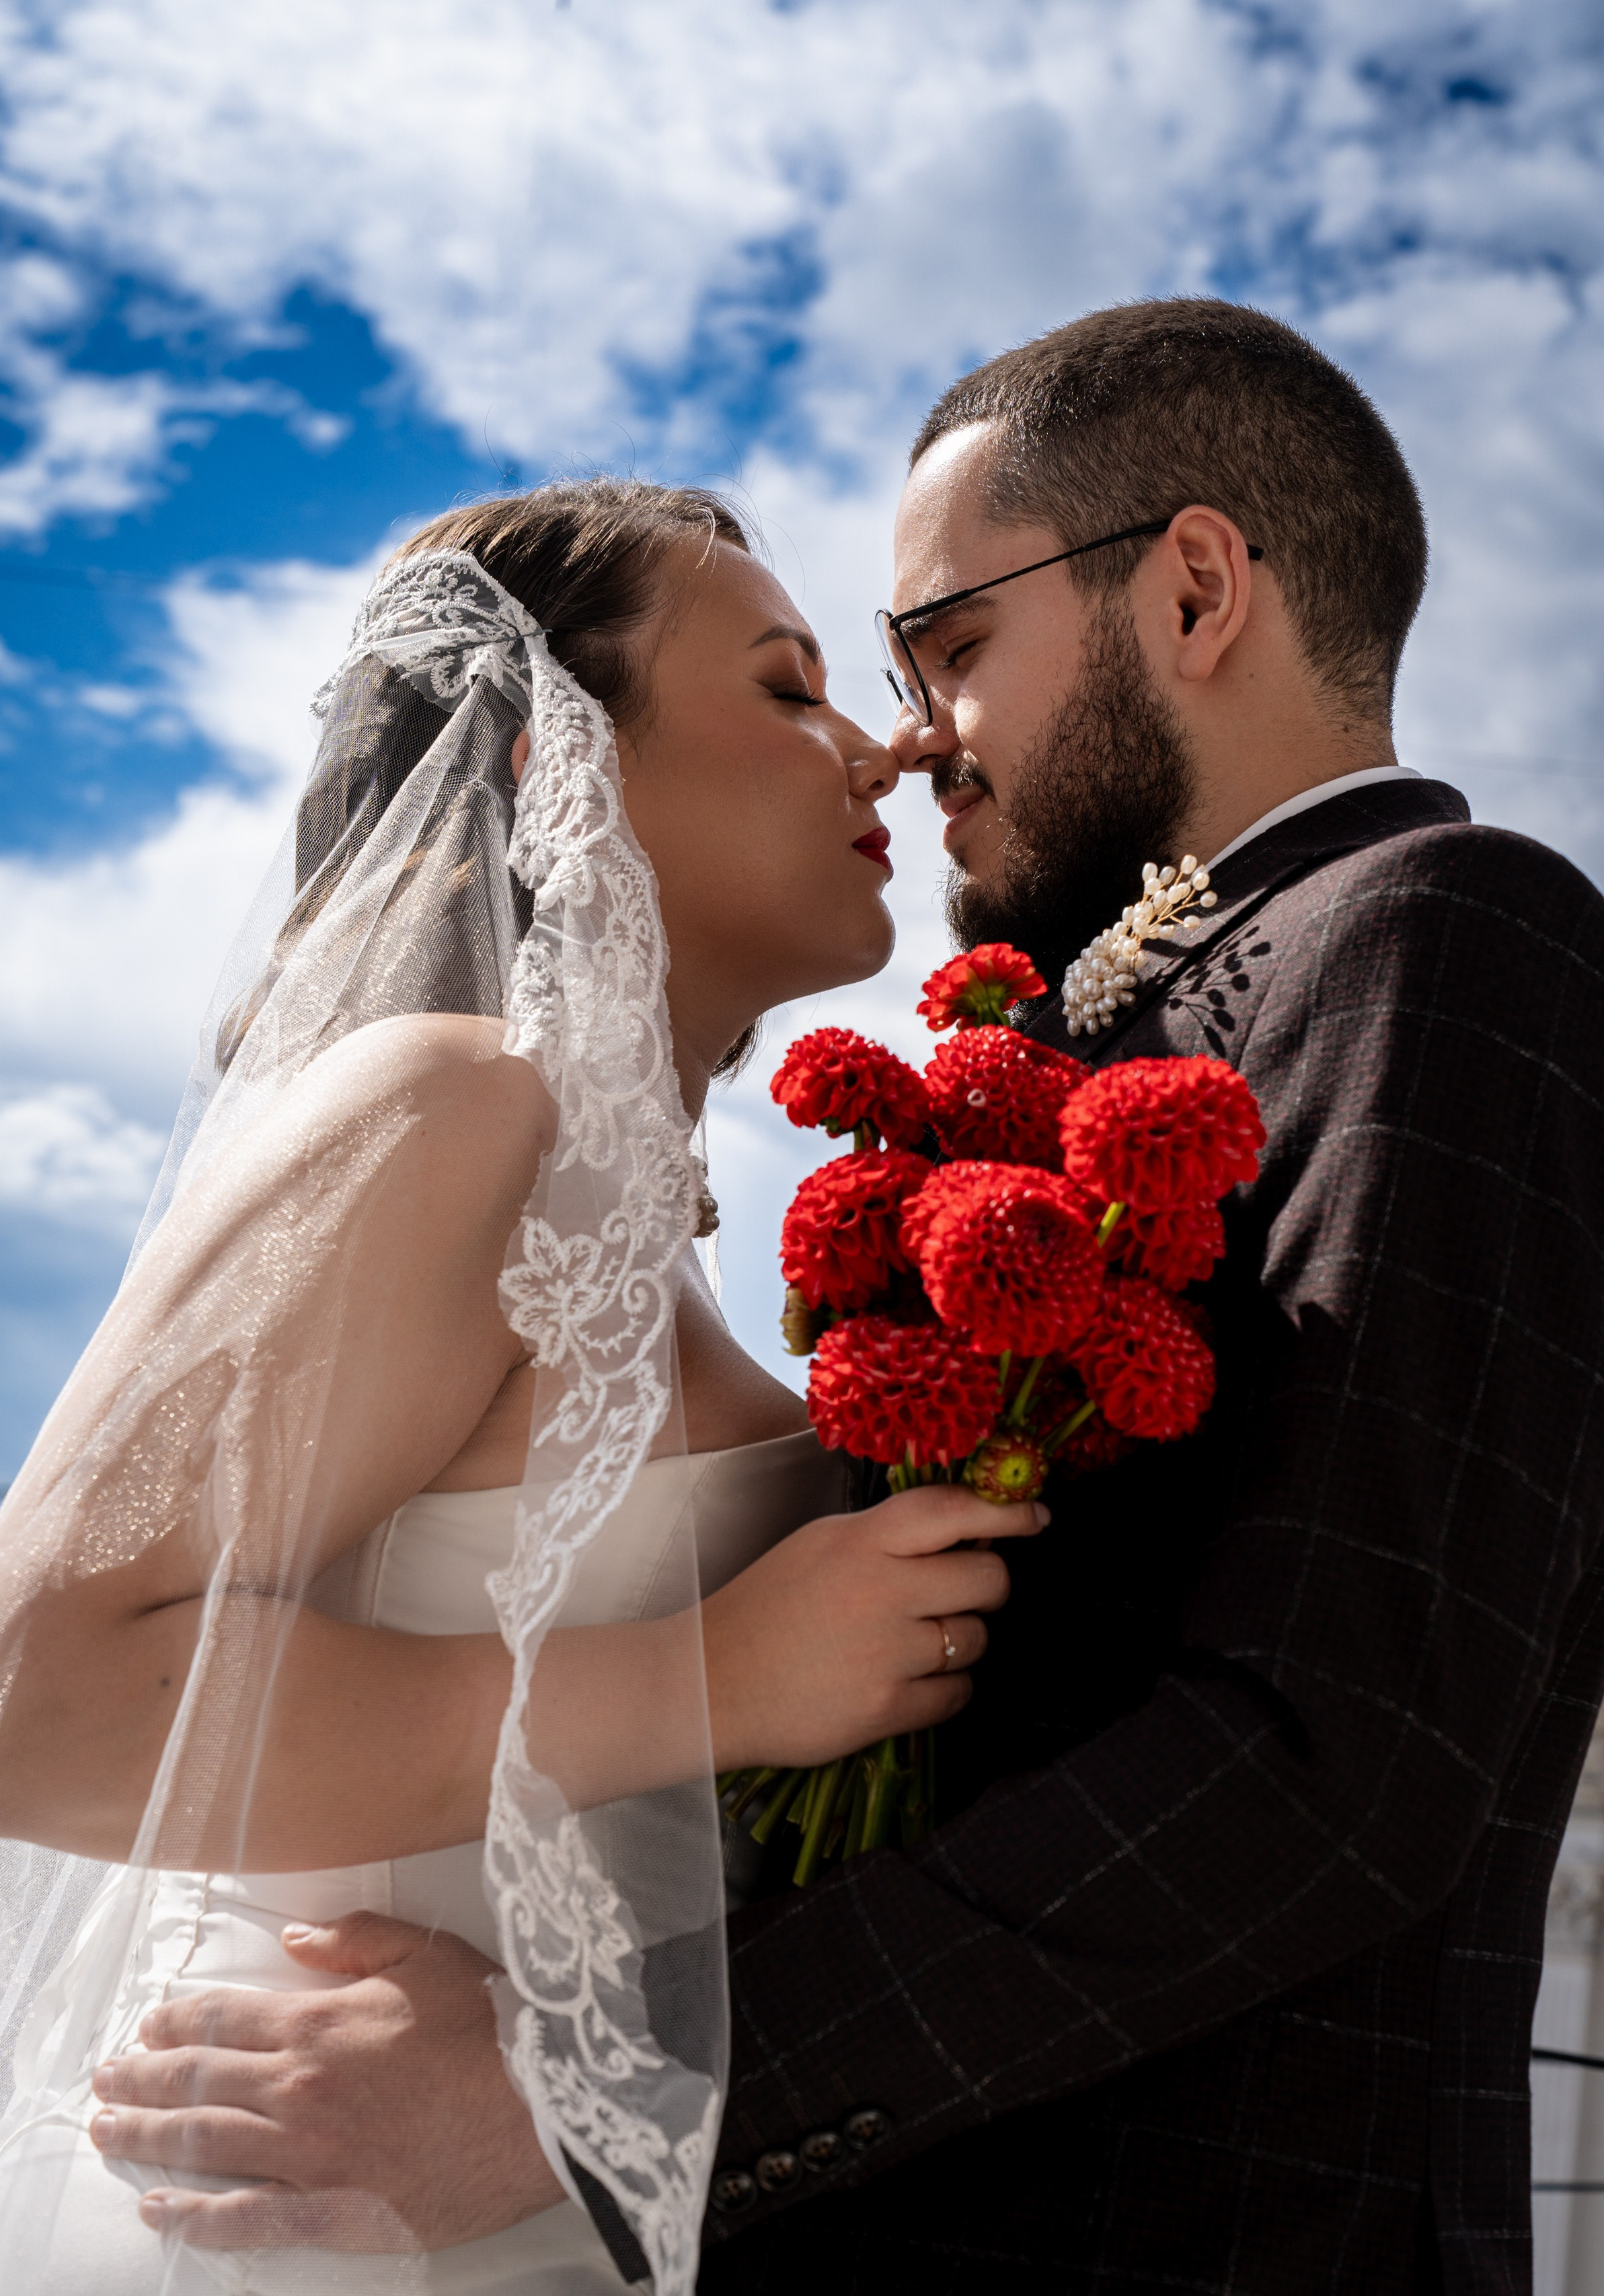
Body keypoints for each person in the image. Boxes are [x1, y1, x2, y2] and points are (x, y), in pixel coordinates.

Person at [86, 301, 1604, 2296]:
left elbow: (1345, 1744)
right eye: (843, 679)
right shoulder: (1047, 1045)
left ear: (1199, 590)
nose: (904, 735)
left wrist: (592, 2092)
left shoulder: (1452, 939)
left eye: (948, 648)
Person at [0, 479, 1038, 2296]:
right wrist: (720, 1678)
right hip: (277, 2223)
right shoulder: (445, 1099)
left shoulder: (632, 1212)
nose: (881, 747)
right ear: (543, 762)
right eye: (788, 685)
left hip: (504, 2198)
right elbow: (25, 1713)